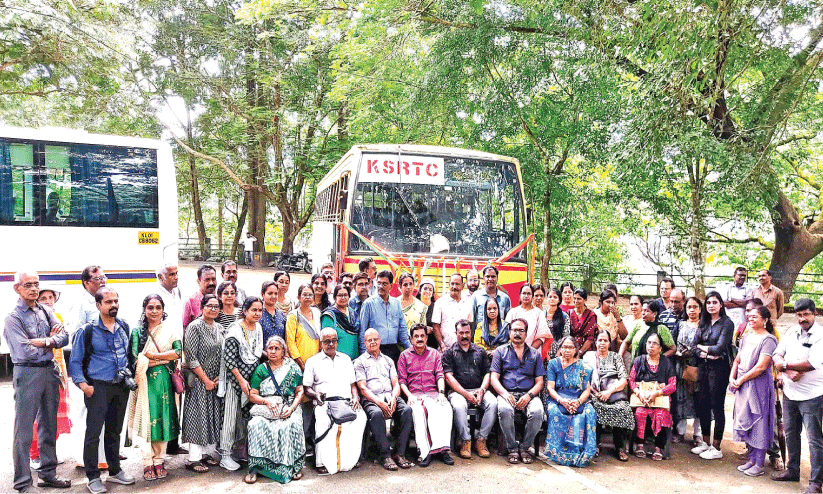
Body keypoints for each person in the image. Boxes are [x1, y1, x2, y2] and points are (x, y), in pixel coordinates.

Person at [5, 271, 71, 492]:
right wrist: (50, 342)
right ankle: (23, 482)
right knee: (24, 430)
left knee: (48, 426)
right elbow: (24, 350)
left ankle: (48, 472)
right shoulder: (13, 318)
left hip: (48, 372)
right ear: (17, 288)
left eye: (36, 284)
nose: (34, 289)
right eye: (28, 285)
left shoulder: (46, 310)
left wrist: (42, 341)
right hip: (28, 374)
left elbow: (64, 337)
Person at [67, 287, 136, 494]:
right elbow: (75, 362)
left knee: (114, 431)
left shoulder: (123, 325)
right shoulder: (87, 331)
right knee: (93, 433)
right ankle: (93, 476)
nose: (113, 305)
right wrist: (84, 386)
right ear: (98, 305)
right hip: (97, 388)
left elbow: (128, 355)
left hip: (120, 387)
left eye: (116, 301)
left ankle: (115, 470)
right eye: (108, 302)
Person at [126, 295, 182, 481]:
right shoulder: (136, 332)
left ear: (163, 310)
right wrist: (163, 359)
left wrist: (153, 357)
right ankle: (146, 461)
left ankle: (159, 459)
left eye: (158, 307)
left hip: (164, 383)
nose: (155, 311)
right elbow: (135, 358)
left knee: (163, 419)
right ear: (144, 309)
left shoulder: (170, 329)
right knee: (145, 419)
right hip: (144, 381)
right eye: (150, 307)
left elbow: (178, 352)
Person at [771, 298, 823, 493]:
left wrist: (784, 366)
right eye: (799, 315)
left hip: (813, 395)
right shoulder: (792, 332)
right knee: (791, 433)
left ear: (814, 313)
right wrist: (784, 369)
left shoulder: (820, 335)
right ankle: (792, 471)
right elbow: (777, 352)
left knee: (814, 438)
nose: (802, 318)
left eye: (806, 314)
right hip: (790, 393)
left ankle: (816, 482)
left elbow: (812, 363)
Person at [303, 328, 367, 475]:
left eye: (333, 341)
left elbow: (353, 385)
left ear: (337, 342)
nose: (331, 344)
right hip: (324, 402)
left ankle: (351, 458)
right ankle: (321, 461)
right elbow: (307, 388)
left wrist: (355, 397)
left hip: (346, 401)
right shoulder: (312, 361)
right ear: (321, 343)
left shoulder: (345, 359)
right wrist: (315, 395)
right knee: (323, 420)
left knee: (360, 418)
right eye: (327, 341)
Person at [244, 336, 305, 484]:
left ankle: (294, 467)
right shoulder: (261, 369)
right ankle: (255, 468)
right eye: (270, 348)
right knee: (255, 425)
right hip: (265, 408)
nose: (273, 351)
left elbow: (300, 391)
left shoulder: (292, 368)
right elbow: (252, 395)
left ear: (283, 351)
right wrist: (266, 401)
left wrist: (291, 408)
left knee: (291, 424)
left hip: (288, 406)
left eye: (277, 348)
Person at [354, 329, 414, 470]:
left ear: (380, 340)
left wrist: (393, 398)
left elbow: (396, 383)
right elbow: (362, 388)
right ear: (365, 343)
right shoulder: (360, 362)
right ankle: (385, 455)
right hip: (371, 399)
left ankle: (400, 453)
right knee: (376, 414)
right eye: (369, 340)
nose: (373, 342)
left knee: (406, 410)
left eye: (375, 339)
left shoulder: (388, 360)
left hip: (389, 395)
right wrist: (380, 403)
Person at [730, 305, 778, 477]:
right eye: (749, 316)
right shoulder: (746, 336)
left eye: (755, 317)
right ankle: (751, 459)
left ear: (765, 320)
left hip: (759, 386)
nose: (750, 319)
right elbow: (737, 359)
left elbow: (761, 367)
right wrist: (732, 378)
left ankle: (759, 463)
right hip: (742, 385)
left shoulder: (769, 340)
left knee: (759, 421)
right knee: (744, 418)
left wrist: (741, 379)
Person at [398, 324, 454, 466]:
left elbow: (440, 375)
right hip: (414, 395)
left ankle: (443, 450)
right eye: (416, 336)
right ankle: (425, 452)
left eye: (422, 336)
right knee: (418, 412)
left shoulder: (435, 354)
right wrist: (409, 395)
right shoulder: (404, 356)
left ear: (427, 338)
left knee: (445, 407)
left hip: (433, 393)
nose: (419, 339)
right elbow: (402, 380)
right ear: (411, 339)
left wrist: (441, 393)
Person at [490, 318, 545, 465]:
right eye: (514, 330)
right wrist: (505, 394)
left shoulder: (535, 354)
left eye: (521, 330)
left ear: (526, 334)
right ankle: (513, 448)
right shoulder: (500, 351)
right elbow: (494, 378)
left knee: (538, 412)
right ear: (509, 332)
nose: (517, 333)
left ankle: (525, 447)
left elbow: (540, 382)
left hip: (529, 394)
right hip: (507, 393)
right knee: (504, 410)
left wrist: (528, 396)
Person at [218, 297, 264, 471]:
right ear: (245, 311)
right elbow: (229, 359)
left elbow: (256, 353)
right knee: (230, 417)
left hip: (251, 380)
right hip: (235, 382)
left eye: (260, 310)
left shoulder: (257, 328)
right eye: (254, 310)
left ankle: (238, 452)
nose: (257, 313)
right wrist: (241, 380)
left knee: (244, 418)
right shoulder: (235, 330)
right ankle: (225, 455)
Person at [29, 287, 72, 470]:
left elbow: (62, 340)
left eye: (50, 297)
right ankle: (35, 454)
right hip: (38, 372)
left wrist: (52, 339)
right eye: (43, 298)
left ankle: (49, 453)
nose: (48, 301)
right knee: (37, 416)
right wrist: (50, 339)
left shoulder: (58, 318)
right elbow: (34, 344)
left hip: (58, 371)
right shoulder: (31, 319)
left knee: (52, 415)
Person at [181, 294, 224, 474]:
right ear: (202, 307)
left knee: (211, 417)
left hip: (214, 381)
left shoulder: (220, 328)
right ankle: (194, 459)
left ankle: (206, 454)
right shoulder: (194, 327)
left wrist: (217, 378)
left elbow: (223, 354)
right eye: (210, 306)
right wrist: (205, 379)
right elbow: (191, 356)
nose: (213, 309)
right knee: (197, 418)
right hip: (199, 381)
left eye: (216, 306)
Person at [443, 320, 496, 459]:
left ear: (471, 333)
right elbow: (448, 377)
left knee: (493, 403)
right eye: (461, 333)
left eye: (467, 332)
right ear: (456, 333)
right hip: (458, 392)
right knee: (459, 405)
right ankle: (465, 440)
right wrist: (466, 394)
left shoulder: (480, 351)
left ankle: (481, 439)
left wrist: (482, 390)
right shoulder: (449, 352)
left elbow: (487, 373)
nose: (464, 335)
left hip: (479, 390)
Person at [691, 291, 734, 460]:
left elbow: (720, 348)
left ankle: (716, 447)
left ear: (721, 305)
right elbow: (693, 347)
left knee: (717, 406)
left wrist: (703, 349)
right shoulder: (704, 322)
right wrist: (706, 352)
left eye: (714, 302)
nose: (711, 306)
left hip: (719, 369)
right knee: (702, 405)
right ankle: (706, 443)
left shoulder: (727, 323)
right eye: (708, 303)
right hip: (703, 368)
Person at [545, 335, 597, 467]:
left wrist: (578, 402)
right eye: (564, 347)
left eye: (570, 347)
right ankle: (559, 453)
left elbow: (587, 390)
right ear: (560, 349)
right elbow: (550, 388)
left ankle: (582, 453)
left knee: (590, 412)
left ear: (576, 350)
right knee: (554, 412)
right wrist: (562, 401)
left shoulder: (583, 367)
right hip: (557, 399)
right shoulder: (553, 364)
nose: (567, 350)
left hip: (578, 399)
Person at [584, 330, 634, 462]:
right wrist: (596, 393)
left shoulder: (615, 357)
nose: (602, 343)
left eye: (605, 340)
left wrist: (609, 392)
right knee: (593, 407)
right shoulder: (589, 356)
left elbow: (624, 380)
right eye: (600, 340)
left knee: (623, 408)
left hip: (613, 393)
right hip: (594, 393)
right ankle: (596, 444)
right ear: (595, 342)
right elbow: (583, 379)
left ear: (609, 343)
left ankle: (620, 447)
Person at [629, 332, 676, 461]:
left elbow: (673, 385)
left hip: (659, 400)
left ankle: (658, 447)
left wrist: (656, 393)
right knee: (640, 413)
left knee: (661, 414)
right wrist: (639, 393)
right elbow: (631, 380)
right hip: (642, 399)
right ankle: (639, 444)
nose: (651, 346)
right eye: (649, 343)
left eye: (654, 343)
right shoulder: (639, 361)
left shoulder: (666, 363)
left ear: (660, 348)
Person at [359, 270, 411, 361]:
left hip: (393, 350)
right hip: (374, 351)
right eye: (378, 283)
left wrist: (410, 350)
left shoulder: (396, 303)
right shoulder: (368, 304)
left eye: (384, 284)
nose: (381, 286)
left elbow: (402, 330)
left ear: (391, 285)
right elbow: (362, 332)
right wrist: (364, 356)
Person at [673, 296, 704, 446]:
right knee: (681, 399)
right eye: (689, 307)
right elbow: (671, 344)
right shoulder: (680, 325)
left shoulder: (705, 325)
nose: (692, 310)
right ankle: (680, 431)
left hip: (698, 368)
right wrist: (677, 354)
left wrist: (694, 353)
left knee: (699, 400)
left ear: (700, 309)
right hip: (681, 367)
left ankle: (698, 434)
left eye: (695, 307)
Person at [432, 273, 473, 352]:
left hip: (464, 349)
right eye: (452, 284)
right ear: (449, 284)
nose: (454, 287)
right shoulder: (440, 302)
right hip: (445, 349)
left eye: (457, 284)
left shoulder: (468, 303)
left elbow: (471, 325)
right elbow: (435, 326)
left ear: (463, 285)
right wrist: (442, 345)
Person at [505, 283, 551, 351]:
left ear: (532, 296)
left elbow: (541, 337)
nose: (526, 296)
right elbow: (506, 334)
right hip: (513, 352)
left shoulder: (539, 313)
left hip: (532, 353)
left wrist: (528, 352)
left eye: (529, 294)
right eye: (524, 293)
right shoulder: (512, 312)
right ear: (520, 296)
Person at [286, 284, 322, 370]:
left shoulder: (316, 313)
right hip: (299, 361)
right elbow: (290, 342)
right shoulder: (293, 316)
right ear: (299, 297)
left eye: (310, 295)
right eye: (304, 294)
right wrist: (301, 363)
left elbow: (320, 337)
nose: (307, 297)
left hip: (316, 360)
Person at [321, 285, 359, 359]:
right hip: (336, 360)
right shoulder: (329, 315)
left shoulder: (353, 314)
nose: (343, 298)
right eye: (340, 295)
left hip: (354, 359)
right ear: (335, 297)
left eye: (345, 295)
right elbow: (326, 340)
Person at [471, 266, 512, 330]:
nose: (490, 279)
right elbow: (472, 320)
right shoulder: (476, 296)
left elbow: (508, 322)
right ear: (483, 278)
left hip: (500, 337)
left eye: (493, 276)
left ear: (497, 278)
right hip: (480, 336)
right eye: (487, 276)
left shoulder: (505, 298)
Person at [183, 264, 217, 328]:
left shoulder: (220, 299)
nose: (211, 283)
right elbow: (185, 327)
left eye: (213, 279)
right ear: (198, 281)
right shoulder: (190, 301)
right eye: (207, 280)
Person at [569, 288, 597, 355]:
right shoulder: (569, 313)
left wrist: (580, 352)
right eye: (574, 298)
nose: (576, 301)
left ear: (585, 300)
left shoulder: (591, 315)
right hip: (570, 349)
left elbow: (590, 338)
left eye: (579, 299)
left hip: (587, 350)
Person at [155, 263, 183, 331]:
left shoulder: (176, 291)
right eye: (172, 274)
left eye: (176, 273)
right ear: (161, 277)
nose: (176, 277)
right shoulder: (155, 296)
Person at [546, 288, 571, 360]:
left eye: (555, 297)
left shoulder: (564, 316)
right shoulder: (542, 314)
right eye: (550, 297)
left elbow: (566, 336)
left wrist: (559, 353)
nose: (552, 299)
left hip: (558, 352)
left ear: (559, 300)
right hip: (544, 351)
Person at [417, 277, 438, 348]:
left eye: (430, 290)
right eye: (425, 288)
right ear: (420, 290)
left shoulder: (436, 307)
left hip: (432, 344)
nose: (427, 291)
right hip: (416, 343)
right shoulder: (414, 306)